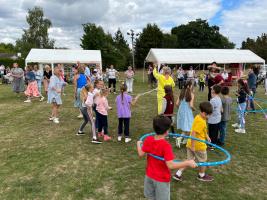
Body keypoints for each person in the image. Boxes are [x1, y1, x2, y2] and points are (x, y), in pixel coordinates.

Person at [136, 115, 197, 200]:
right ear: (167, 131)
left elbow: (140, 153)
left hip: (149, 176)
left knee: (151, 198)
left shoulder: (148, 139)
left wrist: (138, 144)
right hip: (161, 179)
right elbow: (170, 165)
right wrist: (187, 162)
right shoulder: (165, 146)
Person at [173, 102, 214, 182]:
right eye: (208, 115)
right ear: (203, 113)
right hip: (198, 145)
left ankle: (178, 174)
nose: (209, 116)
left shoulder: (199, 117)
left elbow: (202, 130)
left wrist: (207, 136)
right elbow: (193, 133)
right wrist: (193, 146)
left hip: (190, 143)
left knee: (189, 160)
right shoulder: (201, 122)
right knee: (203, 161)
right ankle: (201, 175)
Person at [176, 81, 194, 147]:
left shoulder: (182, 92)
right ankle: (180, 138)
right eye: (191, 85)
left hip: (181, 110)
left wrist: (180, 109)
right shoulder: (191, 94)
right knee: (189, 126)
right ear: (189, 86)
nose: (192, 87)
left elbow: (177, 103)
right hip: (187, 112)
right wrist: (194, 109)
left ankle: (185, 140)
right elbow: (191, 105)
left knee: (186, 126)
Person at [208, 84, 222, 149]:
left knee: (212, 133)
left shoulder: (213, 100)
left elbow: (210, 110)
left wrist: (206, 116)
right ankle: (214, 143)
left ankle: (211, 145)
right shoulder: (218, 98)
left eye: (212, 89)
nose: (211, 89)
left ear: (214, 91)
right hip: (217, 118)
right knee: (215, 132)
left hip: (213, 119)